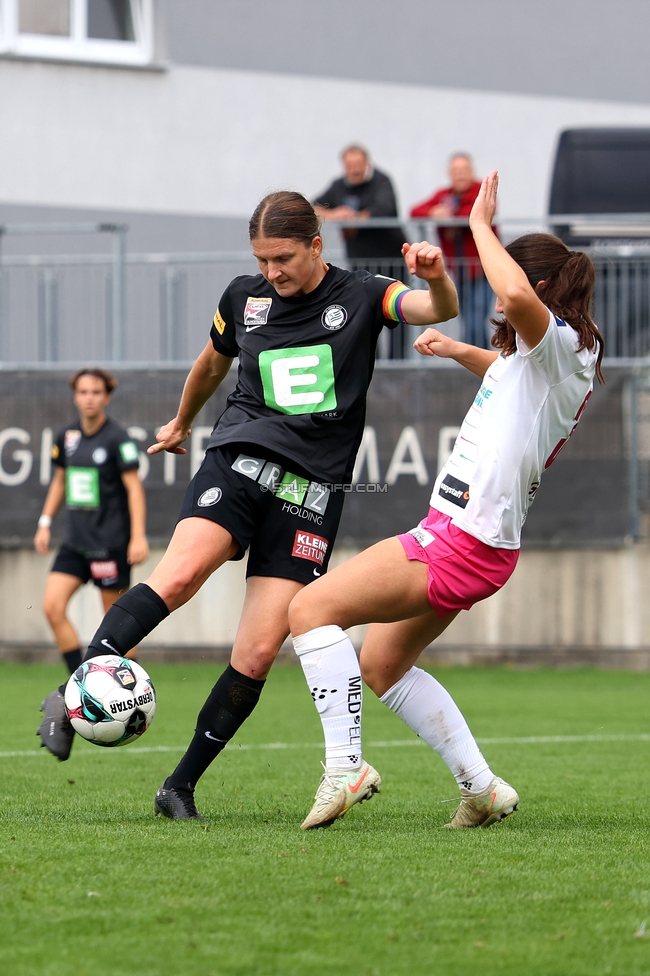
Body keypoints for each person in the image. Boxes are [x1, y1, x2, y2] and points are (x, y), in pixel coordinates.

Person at [36, 192, 460, 822]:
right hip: (238, 462)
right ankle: (74, 692)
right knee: (178, 575)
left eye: (283, 258)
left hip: (310, 497)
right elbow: (213, 361)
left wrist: (438, 276)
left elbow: (436, 308)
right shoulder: (243, 297)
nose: (272, 272)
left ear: (316, 245)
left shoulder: (367, 294)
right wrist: (181, 422)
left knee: (259, 652)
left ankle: (177, 787)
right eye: (261, 259)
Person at [288, 171, 605, 831]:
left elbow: (513, 290)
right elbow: (510, 376)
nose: (498, 290)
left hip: (462, 540)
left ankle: (345, 766)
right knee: (381, 662)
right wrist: (460, 348)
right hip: (470, 541)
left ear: (540, 289)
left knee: (310, 607)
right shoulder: (547, 358)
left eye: (508, 276)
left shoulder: (563, 344)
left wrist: (479, 227)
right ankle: (483, 789)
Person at [33, 368, 149, 682]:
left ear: (107, 397)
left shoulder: (117, 438)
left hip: (110, 544)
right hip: (75, 543)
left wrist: (138, 537)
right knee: (52, 607)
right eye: (83, 392)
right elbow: (60, 480)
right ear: (75, 396)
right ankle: (79, 684)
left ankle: (131, 686)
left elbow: (134, 488)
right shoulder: (67, 437)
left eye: (96, 392)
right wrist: (44, 523)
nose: (89, 398)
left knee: (118, 624)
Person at [410, 153, 495, 348]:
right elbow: (415, 211)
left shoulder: (481, 191)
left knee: (475, 323)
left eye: (464, 170)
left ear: (472, 171)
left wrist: (449, 214)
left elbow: (480, 212)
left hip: (484, 270)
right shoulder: (444, 195)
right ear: (450, 174)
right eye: (456, 171)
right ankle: (480, 365)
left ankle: (481, 362)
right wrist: (434, 212)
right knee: (468, 322)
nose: (460, 175)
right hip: (460, 272)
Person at [314, 145, 406, 263]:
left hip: (389, 258)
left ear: (368, 163)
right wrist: (334, 214)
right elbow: (314, 207)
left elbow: (385, 208)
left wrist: (355, 219)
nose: (355, 170)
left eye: (359, 165)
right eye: (350, 166)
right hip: (358, 260)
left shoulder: (381, 181)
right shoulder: (338, 186)